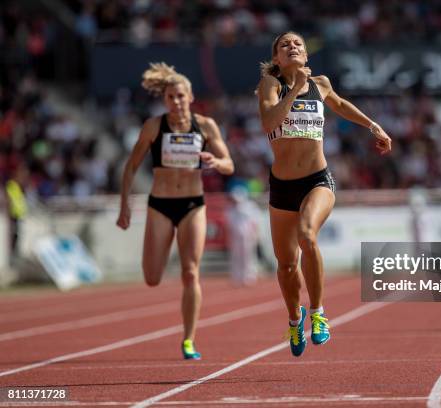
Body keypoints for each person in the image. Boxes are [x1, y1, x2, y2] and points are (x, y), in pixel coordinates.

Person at [256, 31, 392, 357]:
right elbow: (268, 121)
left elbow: (342, 105)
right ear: (277, 58)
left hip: (318, 180)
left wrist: (374, 126)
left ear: (306, 54)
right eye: (285, 45)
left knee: (307, 234)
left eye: (297, 43)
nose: (292, 47)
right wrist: (296, 91)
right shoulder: (270, 86)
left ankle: (318, 313)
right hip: (282, 187)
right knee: (286, 265)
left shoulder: (321, 83)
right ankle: (294, 318)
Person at [116, 62, 234, 359]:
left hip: (193, 204)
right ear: (164, 100)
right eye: (171, 97)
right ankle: (186, 334)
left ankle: (189, 339)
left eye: (181, 96)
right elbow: (130, 167)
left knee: (190, 272)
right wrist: (124, 206)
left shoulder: (205, 126)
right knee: (152, 277)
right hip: (161, 205)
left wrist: (216, 162)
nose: (177, 102)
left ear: (191, 97)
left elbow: (229, 164)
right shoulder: (154, 126)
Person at [226, 186, 260, 286]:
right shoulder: (230, 209)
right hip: (235, 236)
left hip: (248, 235)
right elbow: (229, 224)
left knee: (248, 256)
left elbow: (255, 222)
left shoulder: (250, 207)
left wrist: (255, 234)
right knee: (236, 256)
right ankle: (237, 277)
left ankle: (249, 276)